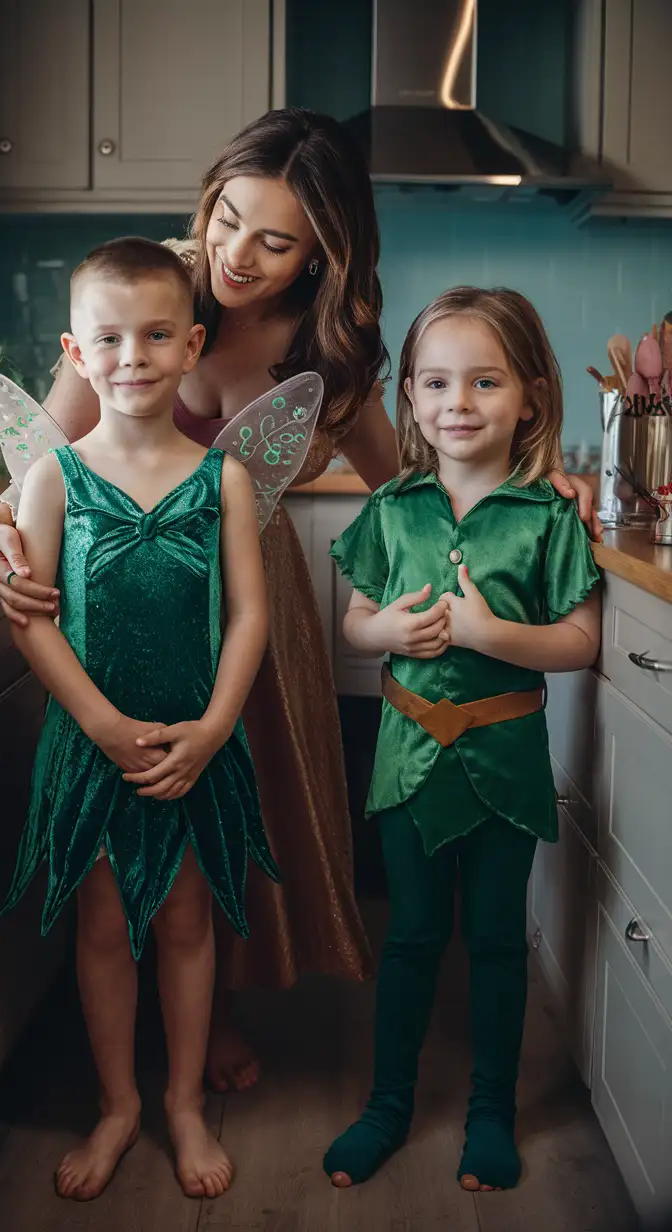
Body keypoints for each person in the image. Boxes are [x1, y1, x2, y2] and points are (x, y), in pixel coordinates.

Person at [0, 109, 600, 1095]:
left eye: (274, 242)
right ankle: (131, 1022)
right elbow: (34, 459)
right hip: (126, 608)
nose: (236, 255)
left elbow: (417, 480)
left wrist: (535, 478)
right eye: (227, 219)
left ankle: (214, 1011)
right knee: (126, 812)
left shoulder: (334, 348)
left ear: (324, 253)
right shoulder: (150, 294)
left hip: (256, 617)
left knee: (239, 812)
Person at [0, 238, 278, 1202]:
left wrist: (208, 731)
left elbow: (251, 616)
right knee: (105, 924)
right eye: (109, 338)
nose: (133, 356)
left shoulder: (225, 479)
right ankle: (118, 1102)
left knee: (191, 921)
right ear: (75, 355)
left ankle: (183, 1098)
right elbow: (34, 626)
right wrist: (105, 726)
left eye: (158, 335)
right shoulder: (53, 480)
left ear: (192, 344)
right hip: (93, 744)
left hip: (196, 744)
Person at [322, 286, 602, 1194]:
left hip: (505, 769)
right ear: (408, 395)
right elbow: (354, 622)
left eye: (486, 382)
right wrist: (383, 637)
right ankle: (387, 1105)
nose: (459, 404)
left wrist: (491, 636)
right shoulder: (393, 507)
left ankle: (491, 1110)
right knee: (407, 936)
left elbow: (582, 641)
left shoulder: (553, 517)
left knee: (493, 941)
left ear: (530, 393)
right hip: (405, 763)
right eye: (436, 382)